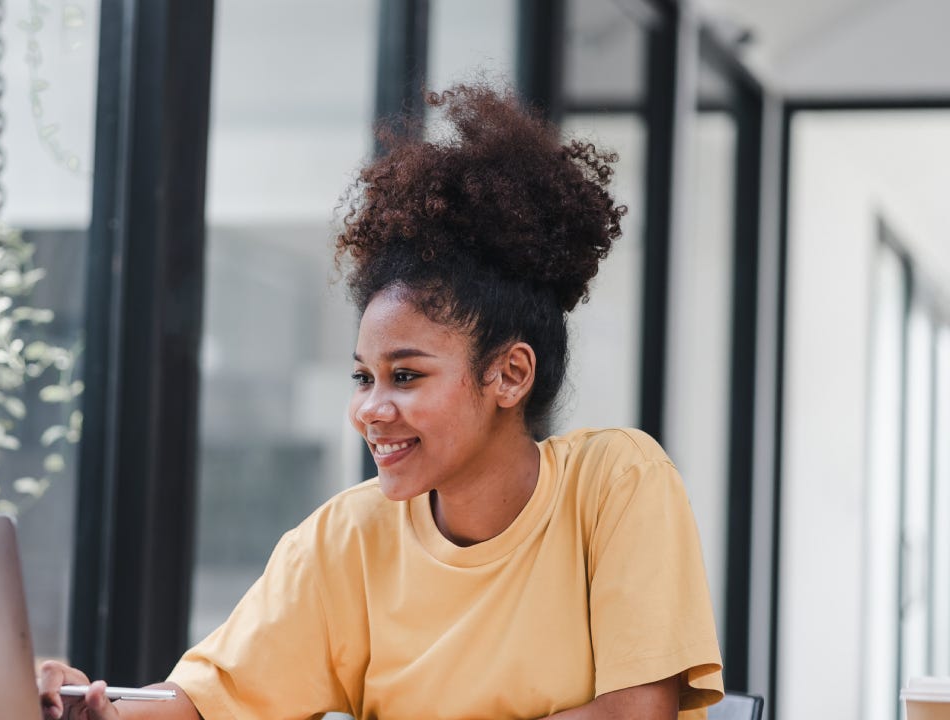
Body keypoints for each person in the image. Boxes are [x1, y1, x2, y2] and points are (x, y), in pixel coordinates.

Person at [39, 83, 724, 720]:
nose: (370, 408)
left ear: (510, 375)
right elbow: (199, 702)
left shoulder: (617, 482)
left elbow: (636, 713)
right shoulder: (346, 538)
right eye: (362, 377)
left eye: (406, 376)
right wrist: (95, 708)